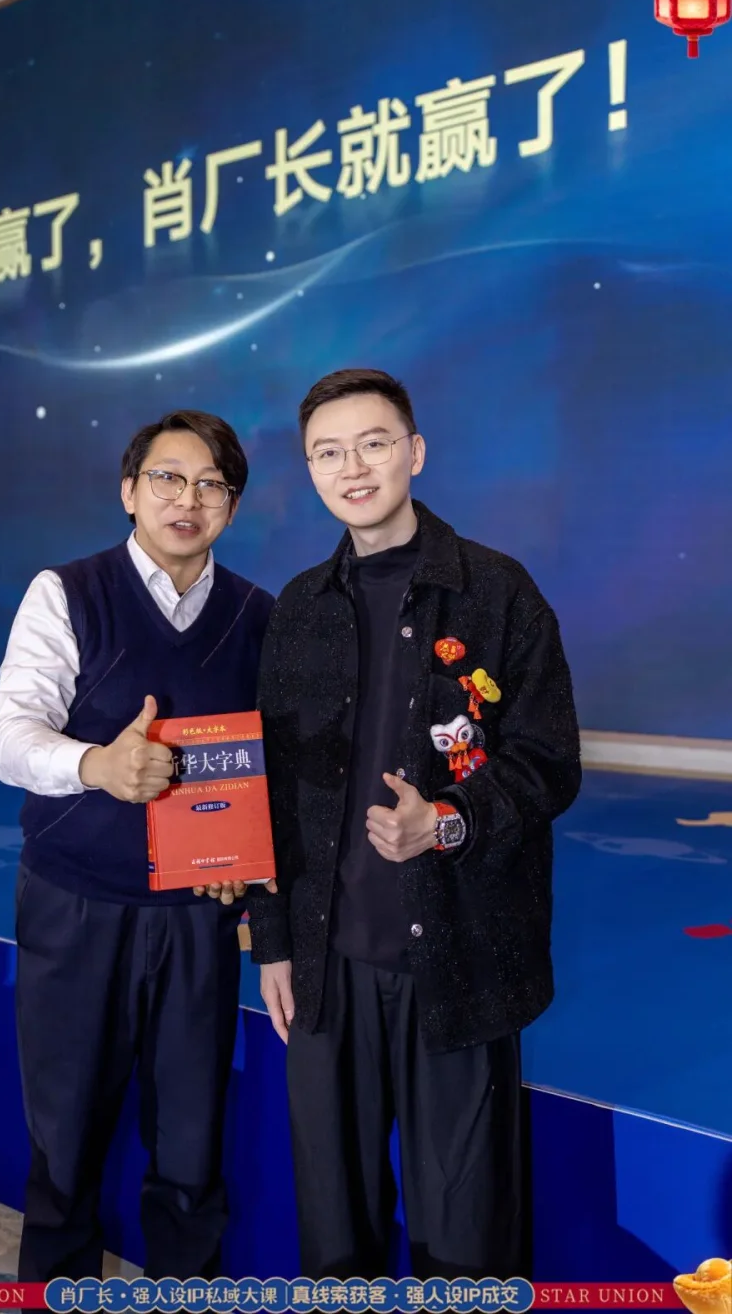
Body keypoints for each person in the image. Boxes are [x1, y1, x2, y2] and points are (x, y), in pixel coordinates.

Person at [246, 369, 582, 1281]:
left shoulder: (497, 593)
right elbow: (271, 793)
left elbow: (548, 760)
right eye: (328, 452)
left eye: (374, 444)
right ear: (310, 469)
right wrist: (272, 944)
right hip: (326, 970)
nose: (352, 468)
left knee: (467, 1249)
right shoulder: (299, 611)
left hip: (463, 964)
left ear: (415, 452)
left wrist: (448, 822)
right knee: (334, 1242)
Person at [0, 410, 275, 1283]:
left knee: (192, 1148)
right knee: (65, 1141)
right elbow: (11, 739)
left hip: (197, 919)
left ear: (232, 506)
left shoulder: (259, 615)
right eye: (167, 478)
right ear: (128, 491)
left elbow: (276, 765)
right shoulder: (67, 592)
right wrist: (99, 765)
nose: (188, 500)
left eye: (211, 485)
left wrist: (245, 863)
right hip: (75, 904)